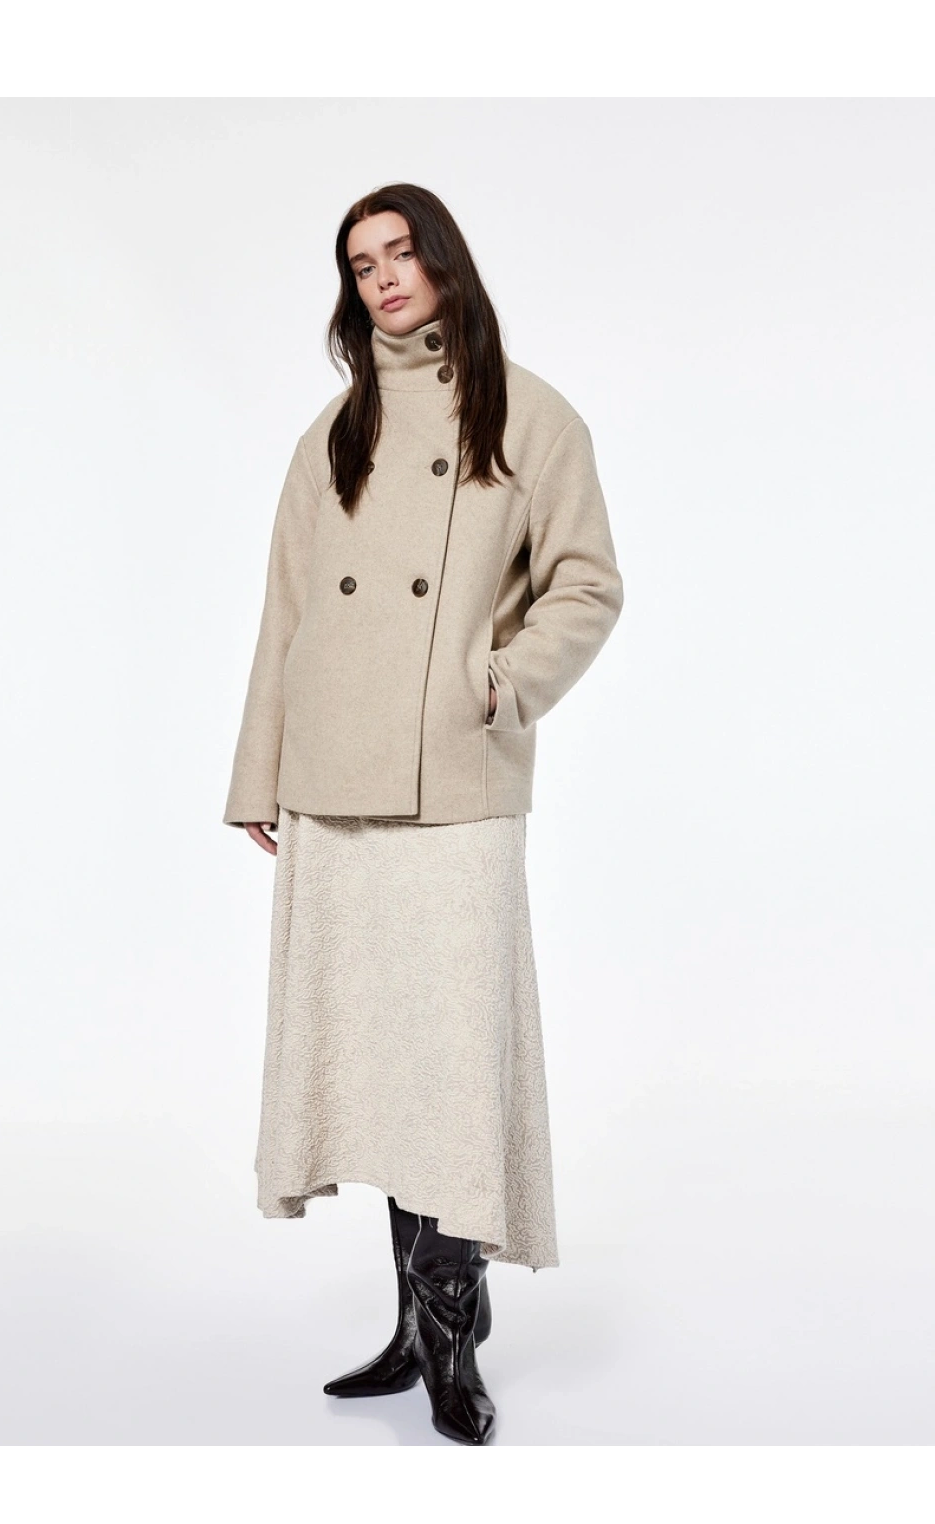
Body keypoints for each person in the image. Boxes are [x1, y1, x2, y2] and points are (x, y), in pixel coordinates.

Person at [222, 182, 624, 1448]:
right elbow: (287, 613)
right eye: (362, 263)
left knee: (449, 1057)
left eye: (401, 252)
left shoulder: (527, 415)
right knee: (378, 1062)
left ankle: (451, 1330)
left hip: (453, 780)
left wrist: (497, 682)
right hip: (333, 779)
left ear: (443, 260)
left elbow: (586, 585)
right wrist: (257, 775)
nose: (385, 276)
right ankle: (414, 1322)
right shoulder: (332, 432)